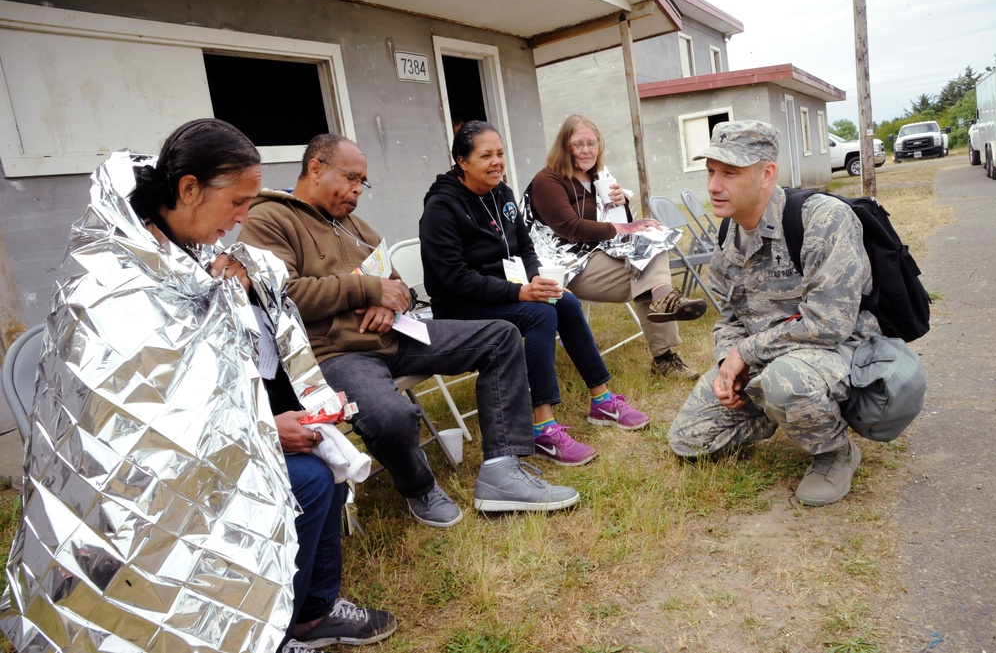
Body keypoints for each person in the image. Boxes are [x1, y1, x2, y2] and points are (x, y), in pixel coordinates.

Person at [0, 119, 395, 653]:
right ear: (188, 189)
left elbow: (209, 371)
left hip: (206, 445)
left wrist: (249, 283)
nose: (241, 220)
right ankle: (269, 633)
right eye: (237, 203)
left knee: (323, 466)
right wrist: (263, 432)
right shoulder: (115, 278)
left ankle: (307, 613)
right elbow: (137, 423)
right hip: (128, 485)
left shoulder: (183, 250)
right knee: (307, 480)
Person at [239, 134, 579, 530]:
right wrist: (368, 290)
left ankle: (503, 470)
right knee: (391, 415)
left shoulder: (354, 226)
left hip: (397, 335)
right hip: (337, 353)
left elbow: (399, 285)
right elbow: (282, 293)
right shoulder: (269, 220)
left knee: (501, 336)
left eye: (362, 183)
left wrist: (388, 302)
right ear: (316, 168)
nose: (357, 192)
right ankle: (419, 486)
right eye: (351, 179)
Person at [668, 120, 882, 507]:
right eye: (711, 171)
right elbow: (729, 318)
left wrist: (745, 354)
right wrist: (727, 364)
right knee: (689, 440)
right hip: (766, 358)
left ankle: (833, 451)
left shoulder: (821, 220)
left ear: (767, 173)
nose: (714, 185)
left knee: (788, 380)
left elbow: (828, 324)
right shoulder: (727, 235)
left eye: (729, 172)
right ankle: (776, 408)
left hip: (839, 352)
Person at [420, 120, 651, 469]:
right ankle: (542, 427)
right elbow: (453, 278)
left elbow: (525, 247)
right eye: (486, 155)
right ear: (462, 162)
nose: (497, 161)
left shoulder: (502, 194)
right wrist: (521, 292)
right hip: (461, 305)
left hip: (507, 290)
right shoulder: (441, 208)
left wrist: (537, 280)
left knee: (564, 300)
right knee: (540, 313)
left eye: (500, 153)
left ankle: (601, 400)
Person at [528, 114, 707, 378]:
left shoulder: (598, 176)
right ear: (565, 146)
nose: (587, 149)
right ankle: (664, 333)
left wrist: (621, 204)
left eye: (592, 143)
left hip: (601, 256)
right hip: (566, 270)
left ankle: (663, 308)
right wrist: (628, 228)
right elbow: (571, 228)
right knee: (646, 271)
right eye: (579, 144)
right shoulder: (548, 180)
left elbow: (619, 230)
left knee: (652, 242)